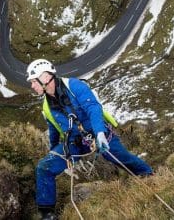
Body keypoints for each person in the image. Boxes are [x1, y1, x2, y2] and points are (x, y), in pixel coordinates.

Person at [26, 59, 153, 220]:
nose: (32, 86)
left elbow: (93, 108)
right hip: (74, 142)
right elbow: (54, 130)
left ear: (45, 78)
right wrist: (54, 151)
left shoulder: (74, 86)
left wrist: (100, 132)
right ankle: (47, 213)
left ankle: (149, 175)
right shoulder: (46, 105)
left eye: (33, 81)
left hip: (97, 133)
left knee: (119, 156)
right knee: (44, 167)